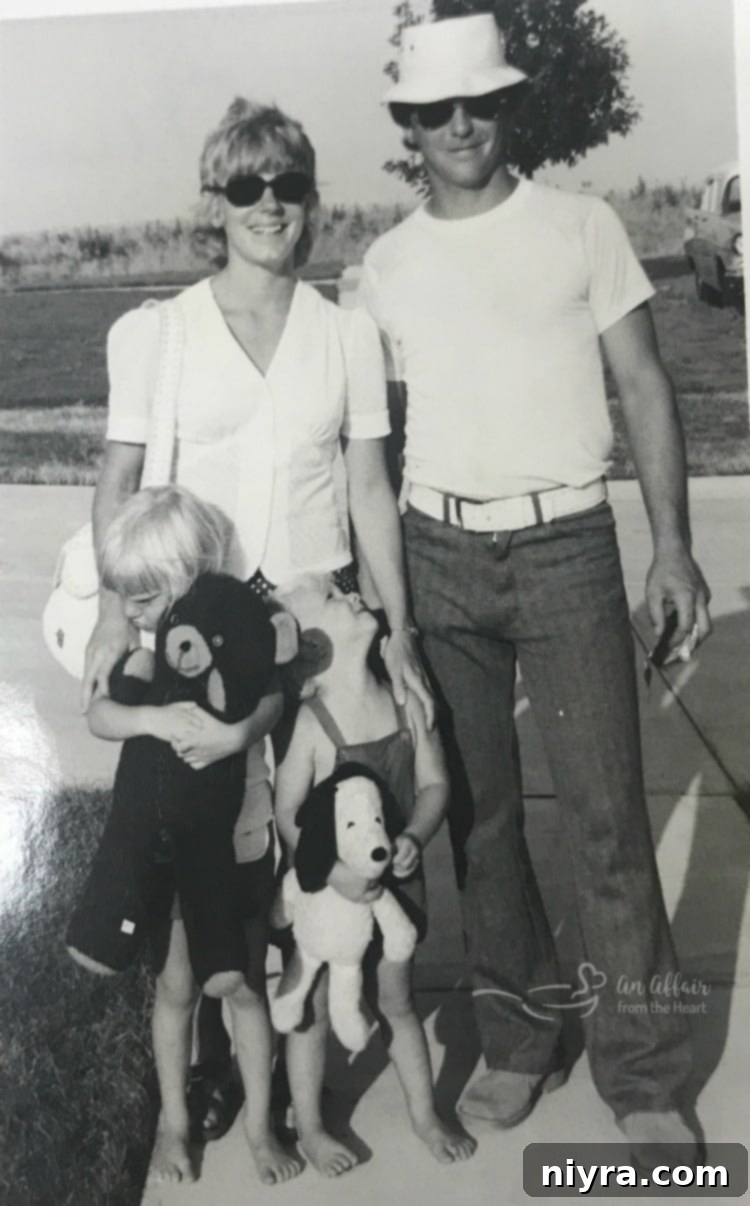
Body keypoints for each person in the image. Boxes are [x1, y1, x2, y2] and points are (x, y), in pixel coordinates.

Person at [358, 13, 711, 1165]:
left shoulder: (583, 226)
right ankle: (519, 1044)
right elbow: (373, 442)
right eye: (437, 109)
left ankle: (645, 1073)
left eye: (482, 102)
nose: (462, 124)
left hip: (566, 545)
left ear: (509, 108)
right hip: (438, 552)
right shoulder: (385, 266)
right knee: (480, 819)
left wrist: (671, 548)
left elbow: (646, 387)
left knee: (610, 821)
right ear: (410, 125)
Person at [80, 98, 431, 1177]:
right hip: (205, 647)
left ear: (311, 199)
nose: (269, 204)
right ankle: (199, 1107)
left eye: (287, 185)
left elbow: (371, 492)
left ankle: (306, 1114)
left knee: (317, 879)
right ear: (217, 205)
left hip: (321, 634)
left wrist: (401, 634)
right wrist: (109, 610)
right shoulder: (159, 332)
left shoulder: (348, 332)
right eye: (247, 187)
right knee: (213, 881)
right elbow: (122, 478)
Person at [69, 484, 301, 1187]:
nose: (130, 616)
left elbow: (273, 699)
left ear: (185, 582)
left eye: (141, 600)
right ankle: (174, 1123)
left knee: (243, 988)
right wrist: (155, 721)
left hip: (239, 840)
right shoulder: (145, 659)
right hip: (171, 849)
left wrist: (235, 735)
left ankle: (260, 1128)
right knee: (176, 988)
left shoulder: (237, 637)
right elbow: (101, 716)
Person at [273, 575, 476, 1176]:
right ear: (313, 650)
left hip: (394, 887)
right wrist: (329, 869)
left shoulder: (407, 699)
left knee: (397, 1000)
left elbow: (436, 783)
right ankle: (309, 1126)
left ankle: (425, 1115)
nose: (356, 596)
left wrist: (414, 834)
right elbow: (287, 813)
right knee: (306, 1000)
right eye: (337, 600)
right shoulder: (313, 725)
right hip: (325, 890)